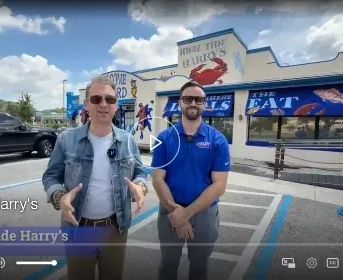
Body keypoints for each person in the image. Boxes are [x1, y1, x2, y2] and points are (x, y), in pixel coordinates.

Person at [42, 75, 150, 280]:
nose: (103, 104)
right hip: (78, 230)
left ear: (116, 105)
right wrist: (59, 196)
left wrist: (139, 187)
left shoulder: (127, 140)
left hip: (116, 229)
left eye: (109, 99)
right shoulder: (67, 139)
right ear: (86, 105)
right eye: (96, 99)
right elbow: (51, 176)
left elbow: (140, 172)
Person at [151, 80, 231, 280]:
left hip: (204, 215)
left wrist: (187, 213)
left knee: (199, 268)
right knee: (168, 265)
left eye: (198, 99)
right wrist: (176, 214)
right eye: (188, 98)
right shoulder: (164, 137)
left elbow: (220, 185)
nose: (193, 103)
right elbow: (158, 180)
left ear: (205, 103)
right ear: (180, 102)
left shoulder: (218, 140)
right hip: (170, 212)